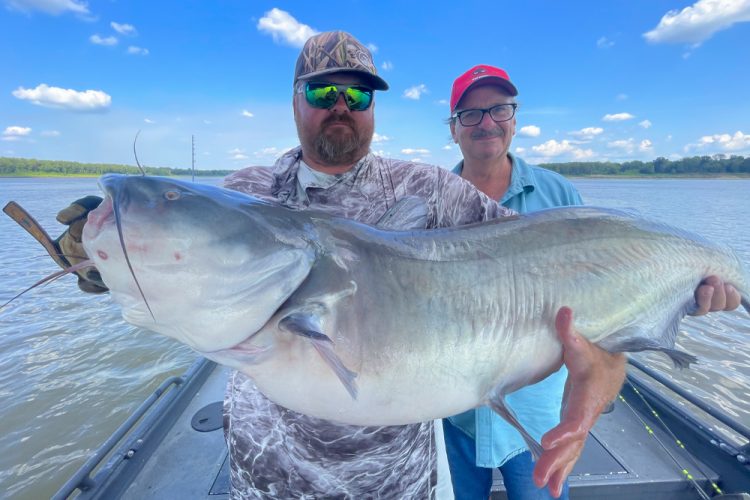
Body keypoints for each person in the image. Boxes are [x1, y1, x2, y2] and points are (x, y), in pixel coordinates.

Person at [52, 33, 741, 499]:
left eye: (359, 94)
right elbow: (183, 260)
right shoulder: (251, 191)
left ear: (375, 106)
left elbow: (566, 273)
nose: (342, 107)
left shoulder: (430, 192)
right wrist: (105, 254)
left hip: (396, 483)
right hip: (267, 479)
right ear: (295, 101)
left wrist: (675, 292)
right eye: (324, 93)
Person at [441, 64, 743, 499]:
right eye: (470, 114)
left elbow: (608, 298)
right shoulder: (435, 200)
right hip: (454, 411)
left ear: (514, 118)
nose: (486, 122)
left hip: (539, 416)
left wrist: (685, 295)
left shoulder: (560, 197)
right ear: (453, 129)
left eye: (498, 109)